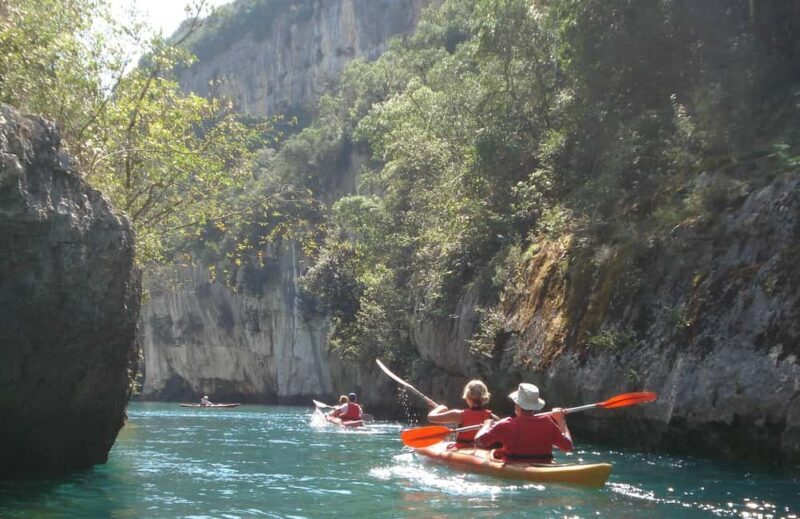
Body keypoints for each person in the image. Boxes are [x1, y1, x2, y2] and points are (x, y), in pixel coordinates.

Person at [474, 383, 572, 462]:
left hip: (515, 469)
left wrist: (487, 424)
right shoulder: (548, 423)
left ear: (517, 405)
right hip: (543, 465)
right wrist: (561, 421)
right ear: (535, 406)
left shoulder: (505, 425)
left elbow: (479, 442)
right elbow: (568, 447)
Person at [428, 380, 500, 444]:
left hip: (462, 451)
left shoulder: (457, 414)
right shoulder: (494, 418)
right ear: (484, 397)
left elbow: (430, 418)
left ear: (467, 396)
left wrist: (440, 408)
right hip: (482, 453)